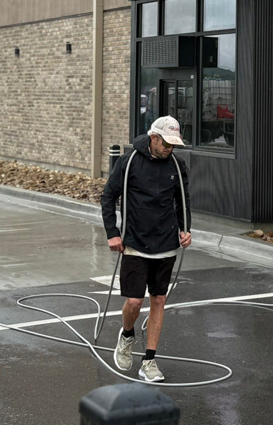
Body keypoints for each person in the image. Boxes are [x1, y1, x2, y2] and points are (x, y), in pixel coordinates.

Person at [100, 116, 192, 382]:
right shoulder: (129, 162)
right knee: (134, 301)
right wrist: (112, 233)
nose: (170, 149)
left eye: (174, 145)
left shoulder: (177, 164)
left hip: (166, 241)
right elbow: (108, 195)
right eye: (166, 143)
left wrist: (186, 230)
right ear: (154, 138)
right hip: (135, 241)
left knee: (159, 299)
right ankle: (127, 335)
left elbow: (182, 201)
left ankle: (149, 360)